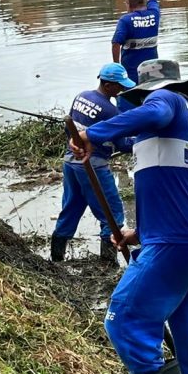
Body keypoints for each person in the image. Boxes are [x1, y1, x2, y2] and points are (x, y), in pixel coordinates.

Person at [71, 59, 188, 374]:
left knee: (124, 317)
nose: (141, 106)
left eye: (142, 98)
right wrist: (136, 233)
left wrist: (91, 133)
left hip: (175, 244)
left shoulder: (169, 102)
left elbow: (154, 110)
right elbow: (175, 192)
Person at [50, 62, 136, 264]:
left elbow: (68, 131)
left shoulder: (81, 96)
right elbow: (122, 144)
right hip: (93, 167)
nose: (122, 89)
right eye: (119, 85)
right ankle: (108, 264)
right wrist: (142, 140)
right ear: (107, 85)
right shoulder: (110, 111)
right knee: (112, 215)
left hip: (70, 163)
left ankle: (56, 260)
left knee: (71, 208)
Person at [112, 0, 160, 112]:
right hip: (152, 73)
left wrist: (116, 66)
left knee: (129, 107)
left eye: (126, 4)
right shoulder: (154, 14)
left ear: (129, 5)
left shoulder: (125, 20)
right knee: (150, 103)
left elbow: (115, 44)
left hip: (131, 74)